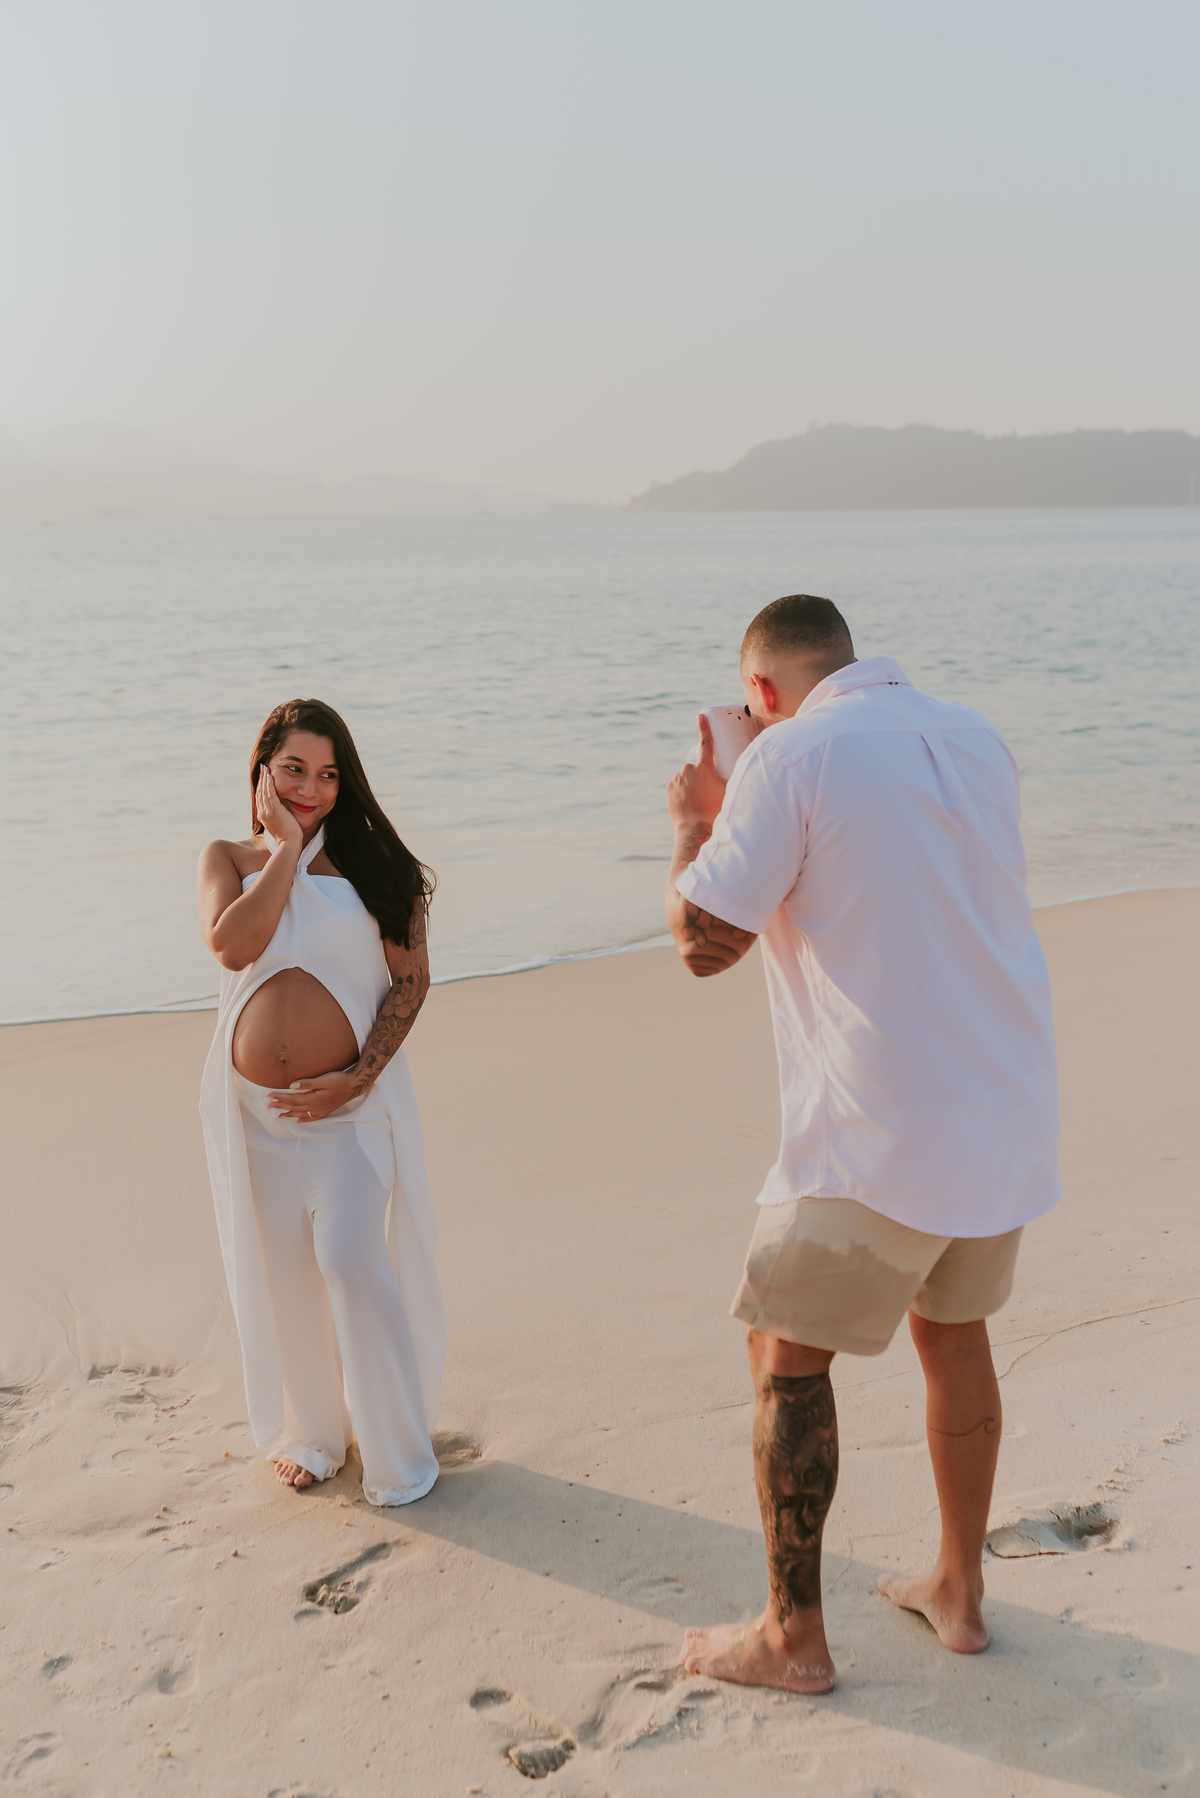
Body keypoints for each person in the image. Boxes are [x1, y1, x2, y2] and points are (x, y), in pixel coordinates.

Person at [664, 596, 1059, 1693]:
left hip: (878, 1128)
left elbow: (704, 942)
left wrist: (698, 818)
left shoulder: (787, 756)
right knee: (955, 1335)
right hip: (1003, 1104)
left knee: (784, 1356)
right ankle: (960, 1595)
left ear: (760, 692)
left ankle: (791, 1637)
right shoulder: (975, 735)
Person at [198, 698, 445, 1506]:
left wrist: (359, 1077)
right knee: (286, 1278)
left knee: (348, 1260)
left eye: (329, 774)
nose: (311, 788)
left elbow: (410, 982)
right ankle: (315, 1435)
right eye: (295, 770)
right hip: (256, 1119)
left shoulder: (375, 866)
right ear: (262, 771)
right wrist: (286, 851)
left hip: (347, 1111)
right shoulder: (230, 859)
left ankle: (398, 1452)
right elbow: (234, 944)